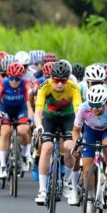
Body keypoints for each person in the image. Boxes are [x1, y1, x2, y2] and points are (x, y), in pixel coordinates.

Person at [34, 60, 82, 205]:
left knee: (69, 146)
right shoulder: (44, 86)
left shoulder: (74, 88)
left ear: (67, 79)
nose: (60, 84)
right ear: (51, 78)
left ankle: (67, 181)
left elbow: (78, 111)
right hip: (50, 118)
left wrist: (80, 129)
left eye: (63, 80)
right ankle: (42, 190)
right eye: (56, 80)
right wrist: (38, 126)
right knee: (47, 147)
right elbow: (38, 112)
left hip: (68, 118)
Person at [72, 83, 107, 213]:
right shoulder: (83, 108)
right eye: (91, 105)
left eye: (98, 106)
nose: (94, 108)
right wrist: (77, 143)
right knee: (87, 170)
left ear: (105, 102)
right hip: (90, 131)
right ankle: (89, 200)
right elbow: (76, 130)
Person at [0, 61, 35, 176]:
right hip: (6, 110)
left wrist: (31, 118)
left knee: (23, 130)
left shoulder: (26, 84)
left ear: (21, 77)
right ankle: (3, 166)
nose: (14, 82)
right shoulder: (2, 84)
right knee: (5, 132)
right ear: (8, 76)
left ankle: (25, 156)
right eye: (11, 78)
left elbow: (29, 104)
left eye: (17, 79)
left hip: (21, 110)